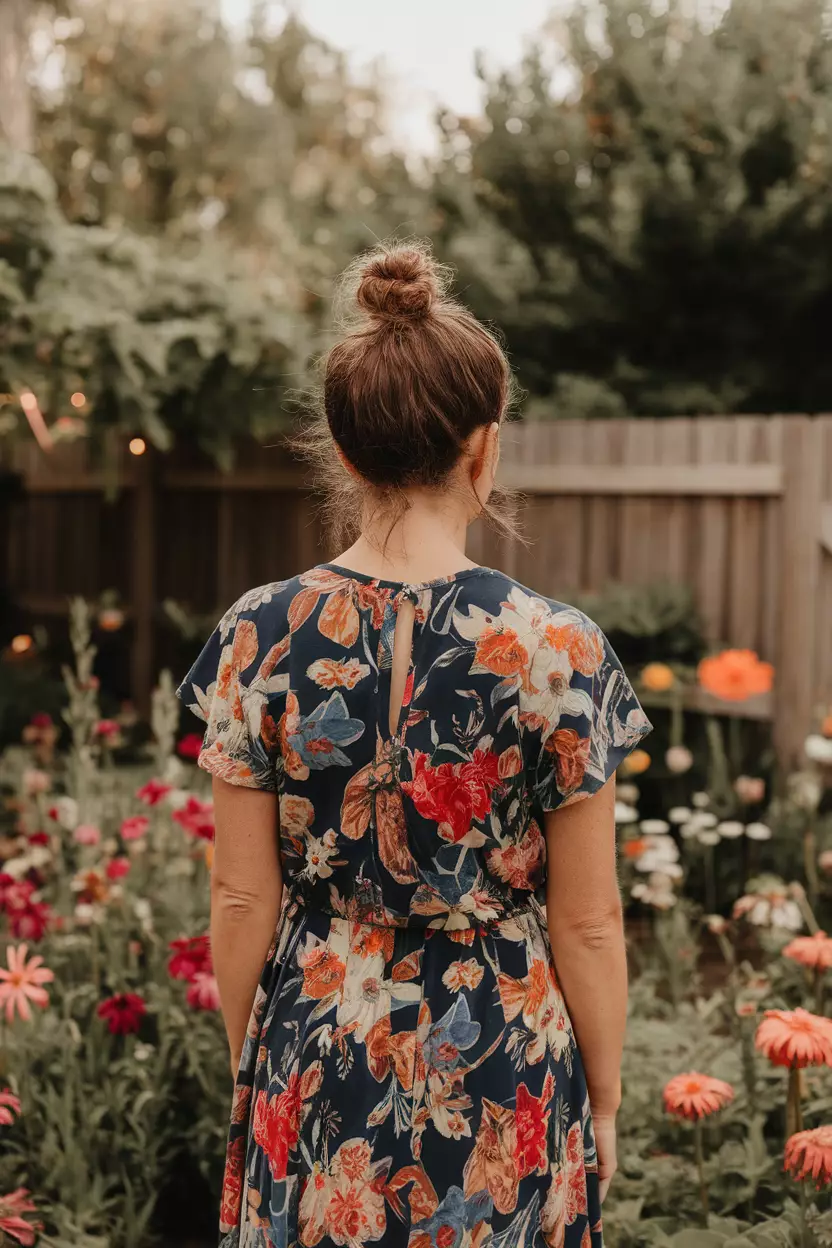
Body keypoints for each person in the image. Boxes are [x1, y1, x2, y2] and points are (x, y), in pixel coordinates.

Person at [177, 242, 652, 1248]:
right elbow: (589, 921)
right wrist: (602, 1099)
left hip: (318, 1042)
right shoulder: (555, 649)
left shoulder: (260, 633)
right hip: (505, 1062)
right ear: (486, 447)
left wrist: (256, 1063)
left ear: (346, 454)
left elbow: (240, 897)